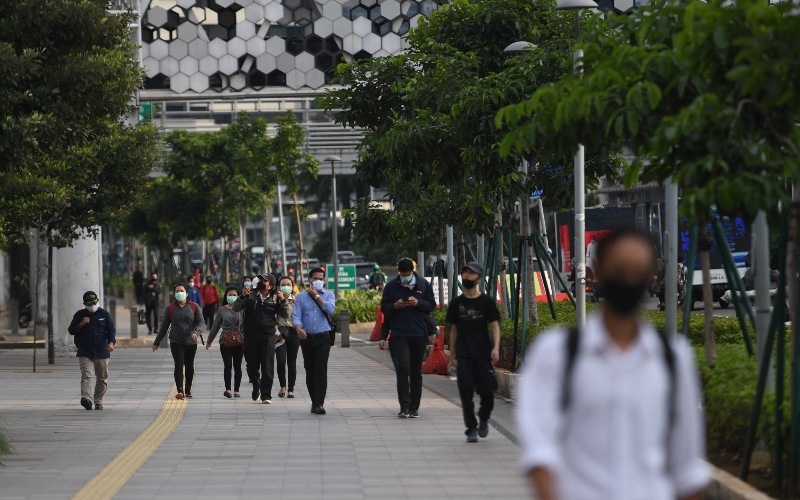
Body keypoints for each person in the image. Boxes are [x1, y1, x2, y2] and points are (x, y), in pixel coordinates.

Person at [516, 228, 709, 500]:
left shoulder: (673, 358)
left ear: (651, 279)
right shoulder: (557, 353)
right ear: (597, 274)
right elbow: (539, 451)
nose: (629, 280)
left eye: (638, 272)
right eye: (619, 270)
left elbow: (687, 467)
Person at [446, 262, 500, 443]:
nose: (467, 276)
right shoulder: (456, 303)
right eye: (465, 273)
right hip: (463, 355)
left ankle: (484, 417)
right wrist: (452, 355)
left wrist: (496, 348)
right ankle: (471, 427)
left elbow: (494, 326)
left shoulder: (486, 302)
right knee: (466, 391)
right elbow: (453, 330)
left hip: (483, 354)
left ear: (478, 278)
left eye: (471, 273)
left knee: (487, 391)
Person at [380, 257, 436, 418]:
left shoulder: (423, 284)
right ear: (399, 272)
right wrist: (395, 306)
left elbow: (431, 304)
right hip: (399, 334)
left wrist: (418, 303)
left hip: (419, 334)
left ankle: (414, 407)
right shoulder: (391, 287)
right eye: (402, 273)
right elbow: (385, 308)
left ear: (412, 271)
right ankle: (404, 406)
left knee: (416, 372)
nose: (405, 276)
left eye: (408, 273)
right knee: (403, 369)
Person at [233, 274, 289, 404]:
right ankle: (256, 384)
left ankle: (266, 395)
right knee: (251, 366)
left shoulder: (276, 297)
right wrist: (242, 297)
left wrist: (283, 301)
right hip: (251, 335)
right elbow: (236, 308)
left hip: (268, 335)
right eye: (261, 280)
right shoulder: (251, 295)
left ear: (271, 285)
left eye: (265, 281)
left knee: (267, 365)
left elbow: (285, 315)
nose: (262, 282)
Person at [292, 267, 336, 415]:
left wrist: (317, 296)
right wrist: (298, 329)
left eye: (321, 279)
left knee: (320, 370)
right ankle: (314, 401)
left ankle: (319, 404)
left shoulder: (329, 295)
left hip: (323, 337)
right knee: (310, 370)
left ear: (324, 280)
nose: (318, 281)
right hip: (307, 338)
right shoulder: (300, 297)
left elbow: (330, 309)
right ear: (310, 279)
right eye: (315, 278)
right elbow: (296, 315)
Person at [152, 283, 204, 400]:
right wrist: (157, 342)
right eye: (177, 291)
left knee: (189, 365)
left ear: (186, 293)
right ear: (175, 294)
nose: (179, 293)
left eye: (181, 291)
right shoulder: (170, 308)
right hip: (176, 341)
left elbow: (201, 323)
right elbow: (164, 326)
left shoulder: (194, 306)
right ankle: (180, 389)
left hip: (191, 341)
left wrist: (197, 332)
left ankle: (188, 388)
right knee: (179, 363)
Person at [68, 291, 116, 410]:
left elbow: (111, 330)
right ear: (84, 304)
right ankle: (87, 399)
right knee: (86, 376)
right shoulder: (79, 315)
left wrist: (111, 343)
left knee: (102, 378)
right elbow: (71, 330)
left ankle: (98, 401)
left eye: (95, 302)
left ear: (98, 301)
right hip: (85, 350)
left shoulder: (104, 314)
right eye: (90, 303)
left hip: (102, 350)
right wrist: (81, 324)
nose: (93, 305)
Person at [206, 285, 244, 398]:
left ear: (238, 297)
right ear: (226, 296)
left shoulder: (242, 309)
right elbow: (215, 326)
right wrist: (209, 341)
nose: (232, 297)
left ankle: (236, 390)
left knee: (237, 366)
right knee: (228, 365)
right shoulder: (222, 310)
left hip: (239, 341)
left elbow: (247, 325)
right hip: (225, 341)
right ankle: (228, 389)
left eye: (234, 295)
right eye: (229, 295)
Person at [275, 276, 299, 398]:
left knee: (292, 362)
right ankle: (282, 386)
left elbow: (292, 314)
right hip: (280, 333)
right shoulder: (274, 300)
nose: (286, 287)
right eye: (283, 285)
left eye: (288, 284)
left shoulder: (296, 300)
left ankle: (291, 389)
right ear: (279, 287)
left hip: (294, 333)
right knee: (280, 361)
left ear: (292, 286)